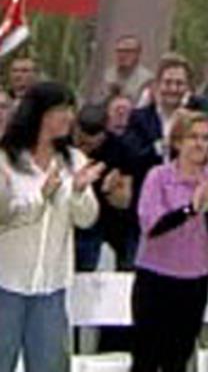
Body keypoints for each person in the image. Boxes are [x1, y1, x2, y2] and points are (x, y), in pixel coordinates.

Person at [0, 81, 103, 372]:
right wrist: (41, 196)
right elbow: (4, 217)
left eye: (71, 109)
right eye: (61, 109)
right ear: (40, 114)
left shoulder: (74, 160)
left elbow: (87, 219)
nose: (69, 117)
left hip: (52, 288)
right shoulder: (6, 159)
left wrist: (80, 191)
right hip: (5, 285)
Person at [132, 109, 208, 372]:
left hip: (194, 279)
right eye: (193, 137)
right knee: (146, 356)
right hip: (156, 276)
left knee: (178, 356)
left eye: (205, 138)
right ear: (177, 142)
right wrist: (189, 209)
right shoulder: (158, 177)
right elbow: (151, 225)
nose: (200, 144)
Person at [73, 102, 137, 272]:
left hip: (111, 217)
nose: (86, 147)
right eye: (81, 141)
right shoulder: (64, 146)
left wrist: (111, 190)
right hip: (76, 217)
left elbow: (125, 201)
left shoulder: (121, 149)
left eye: (91, 143)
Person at [98, 35, 155, 102]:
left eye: (128, 51)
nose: (122, 55)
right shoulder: (108, 74)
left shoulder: (147, 79)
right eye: (119, 51)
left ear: (138, 54)